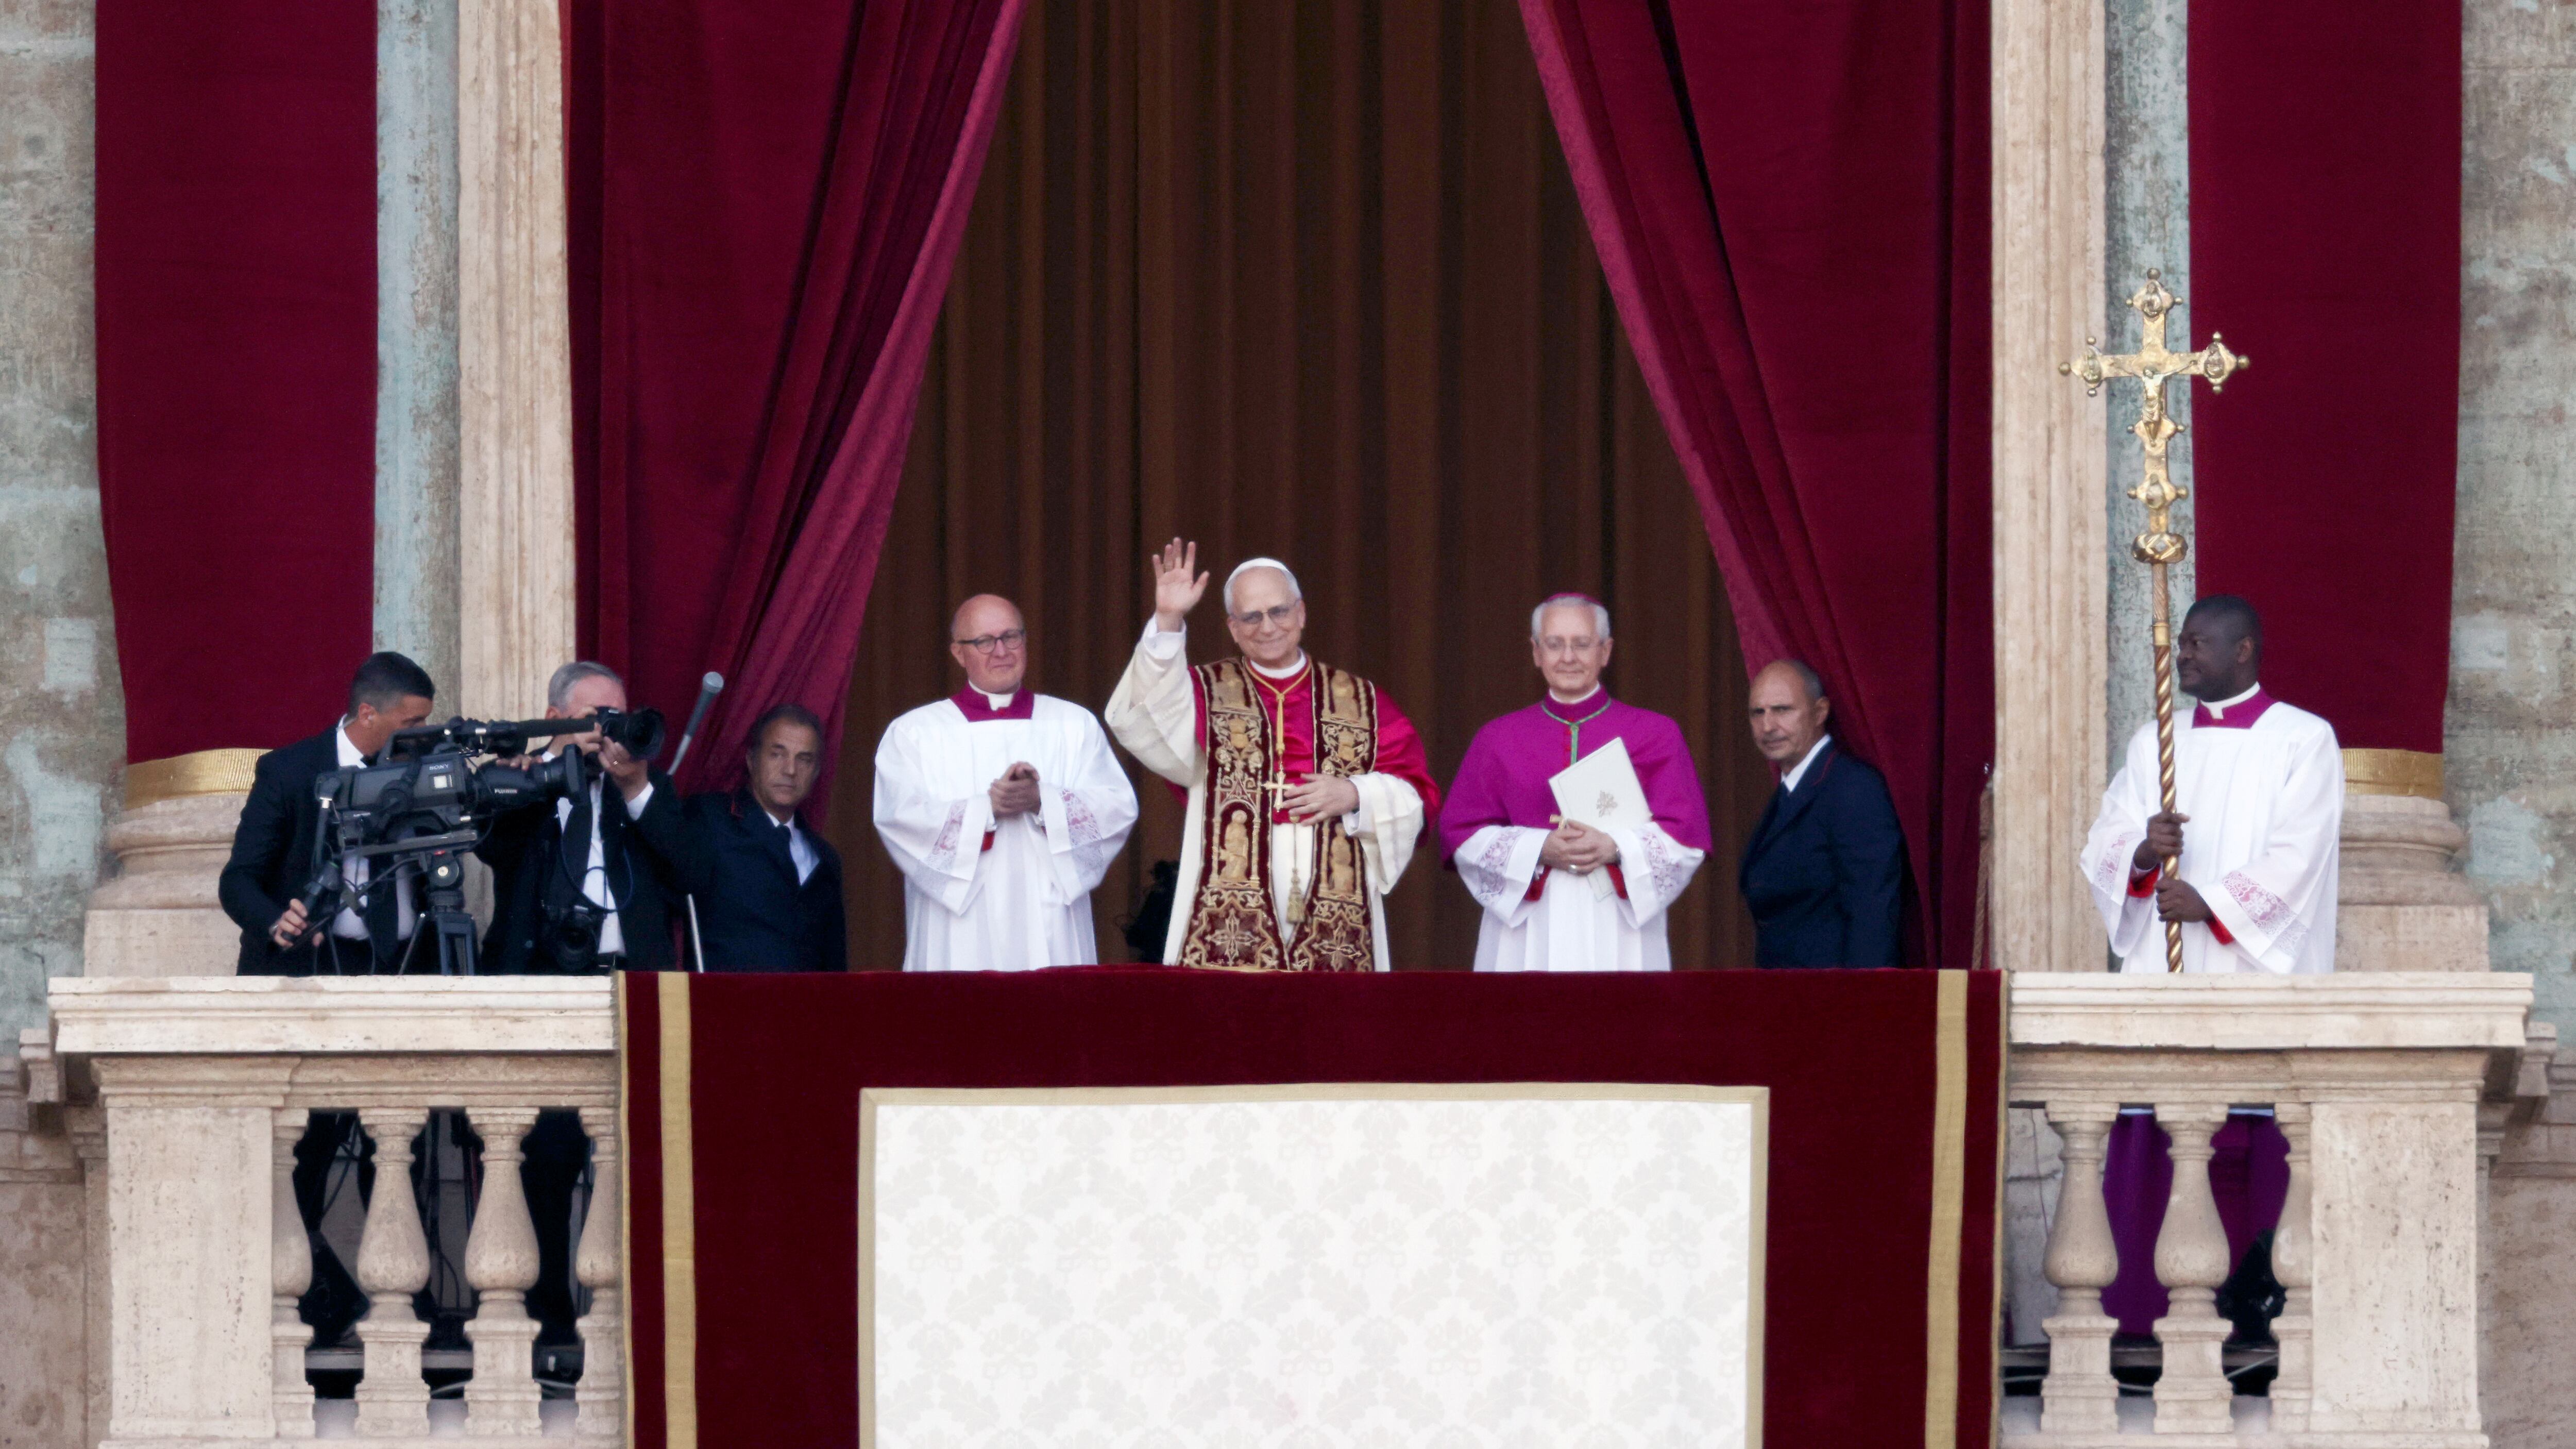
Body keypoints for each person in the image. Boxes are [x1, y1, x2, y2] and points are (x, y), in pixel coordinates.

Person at [1105, 541, 1439, 972]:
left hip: (1336, 902)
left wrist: (1357, 794)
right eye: (1252, 616)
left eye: (1279, 612)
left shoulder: (1362, 700)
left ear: (1300, 613)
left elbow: (1419, 794)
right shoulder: (1203, 691)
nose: (1267, 627)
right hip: (1224, 903)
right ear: (1233, 627)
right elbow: (1144, 716)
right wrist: (1168, 619)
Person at [1439, 594, 1711, 971]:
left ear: (1605, 651)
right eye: (1555, 644)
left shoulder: (1655, 733)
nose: (1568, 657)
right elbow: (1461, 833)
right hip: (1527, 922)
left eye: (1582, 644)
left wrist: (1614, 846)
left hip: (1619, 922)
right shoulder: (1498, 738)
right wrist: (1538, 848)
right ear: (1536, 652)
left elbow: (1686, 837)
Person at [872, 595, 1140, 969]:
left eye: (1011, 637)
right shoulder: (915, 733)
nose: (1001, 651)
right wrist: (987, 809)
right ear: (958, 653)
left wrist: (1042, 801)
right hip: (959, 925)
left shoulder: (1072, 724)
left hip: (1050, 918)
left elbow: (1116, 807)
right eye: (984, 641)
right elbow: (899, 819)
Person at [2079, 594, 2343, 973]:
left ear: (2242, 651)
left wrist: (2210, 905)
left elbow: (2301, 857)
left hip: (2249, 971)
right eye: (2182, 643)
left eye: (2198, 644)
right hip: (2160, 954)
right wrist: (2145, 853)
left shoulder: (2303, 739)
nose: (2183, 655)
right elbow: (2106, 838)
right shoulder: (2154, 742)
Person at [477, 661, 707, 973]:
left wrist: (636, 790)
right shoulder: (518, 775)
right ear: (554, 720)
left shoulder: (648, 784)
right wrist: (554, 765)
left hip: (631, 975)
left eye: (619, 720)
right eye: (597, 717)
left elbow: (690, 875)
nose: (608, 732)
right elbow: (490, 846)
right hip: (535, 976)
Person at [219, 651, 438, 975]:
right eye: (412, 723)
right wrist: (276, 921)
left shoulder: (427, 766)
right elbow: (238, 880)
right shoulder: (288, 772)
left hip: (408, 965)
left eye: (425, 720)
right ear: (367, 715)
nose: (422, 732)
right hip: (310, 965)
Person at [1736, 658, 1905, 967]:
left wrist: (1861, 1006)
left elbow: (1873, 913)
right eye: (1757, 713)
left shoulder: (1852, 789)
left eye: (1783, 710)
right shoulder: (1790, 790)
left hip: (1832, 1000)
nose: (1768, 726)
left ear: (1820, 712)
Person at [686, 703, 848, 971]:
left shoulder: (826, 858)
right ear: (751, 759)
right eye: (777, 754)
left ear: (816, 772)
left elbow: (834, 964)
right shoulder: (711, 819)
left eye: (804, 759)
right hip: (728, 1005)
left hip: (806, 1009)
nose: (790, 770)